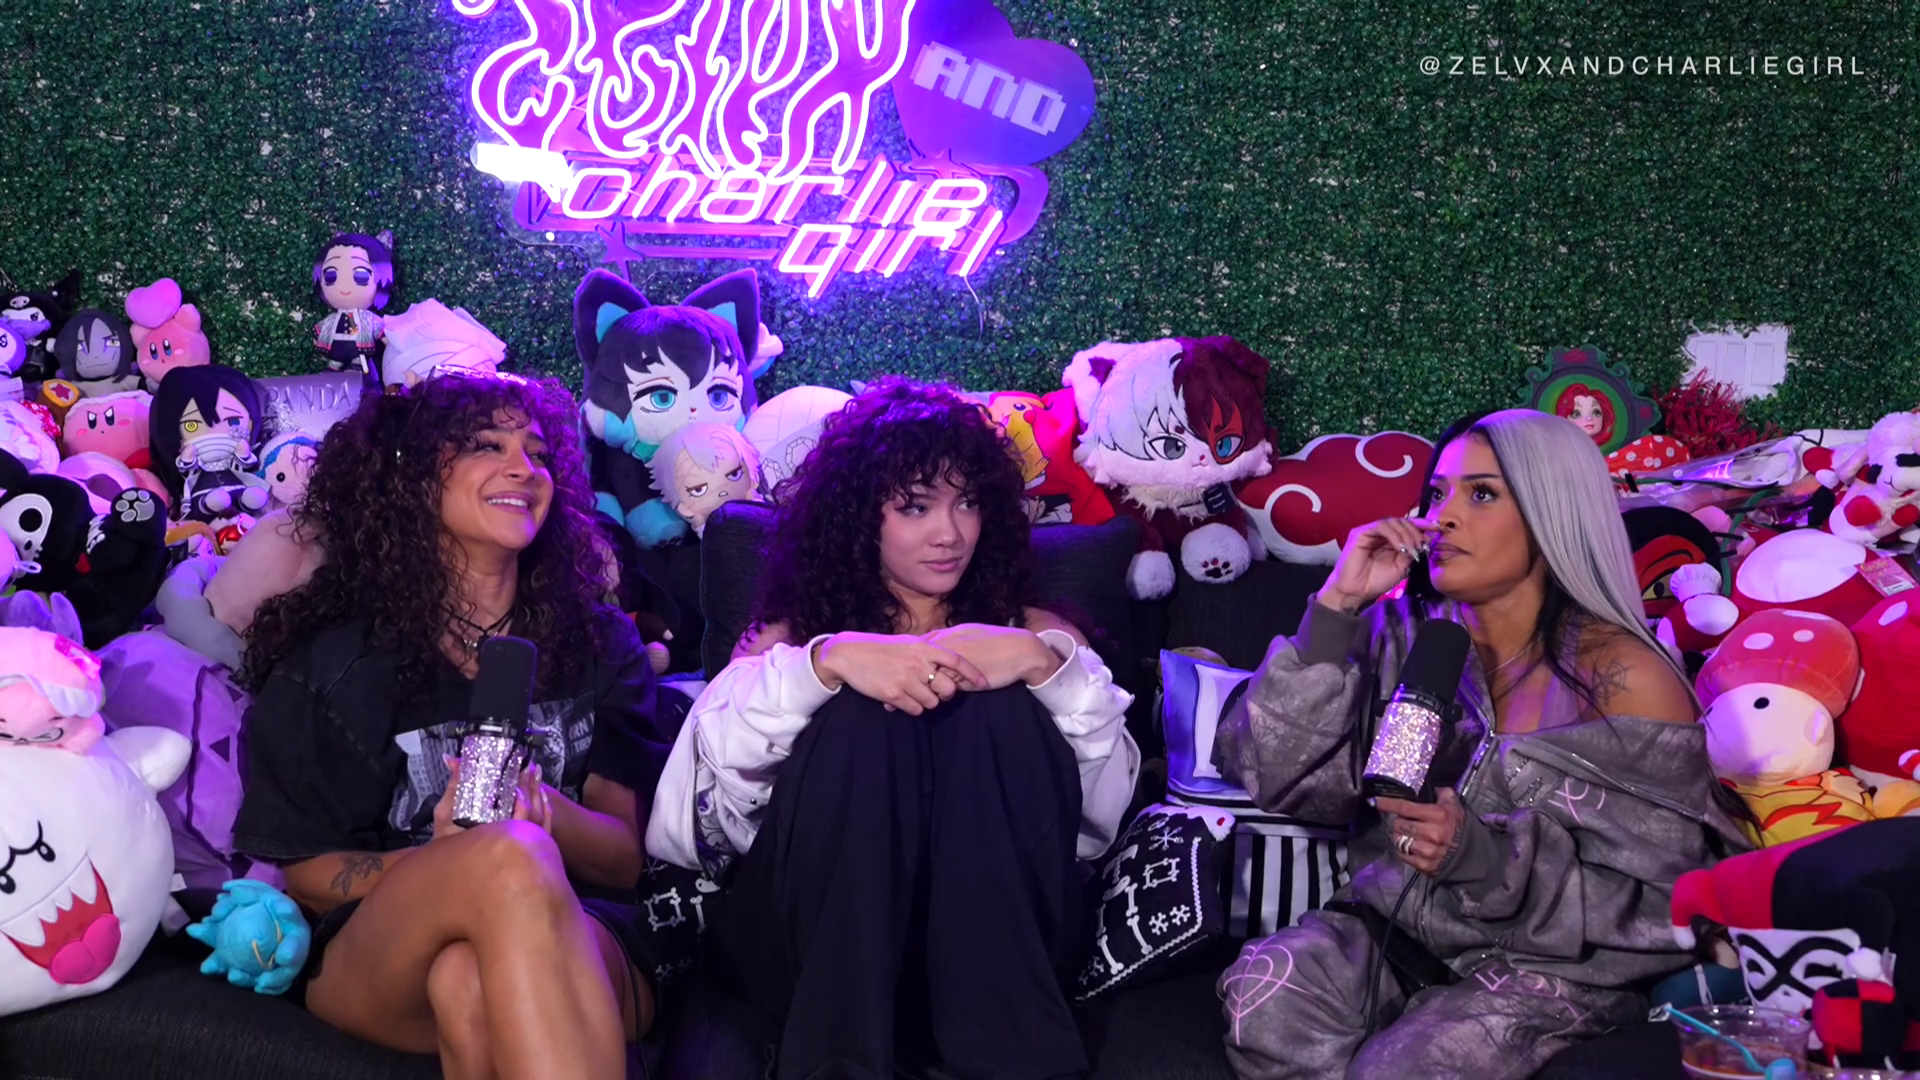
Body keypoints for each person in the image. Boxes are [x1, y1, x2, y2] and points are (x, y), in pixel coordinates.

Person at [1212, 409, 1749, 1080]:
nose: (1443, 518)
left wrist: (1484, 859)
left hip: (1551, 969)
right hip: (1393, 932)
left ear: (1554, 515)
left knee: (1409, 1067)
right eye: (1438, 493)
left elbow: (1662, 906)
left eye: (1483, 494)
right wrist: (1337, 605)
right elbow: (1277, 775)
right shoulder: (1397, 633)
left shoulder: (1624, 675)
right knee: (1263, 1000)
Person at [647, 377, 1140, 1080]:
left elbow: (1096, 824)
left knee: (997, 706)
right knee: (860, 719)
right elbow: (700, 825)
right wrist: (829, 664)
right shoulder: (791, 641)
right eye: (916, 506)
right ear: (860, 520)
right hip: (821, 956)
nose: (950, 533)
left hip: (1000, 956)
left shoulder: (1035, 635)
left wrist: (1042, 666)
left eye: (967, 502)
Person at [232, 372, 675, 1080]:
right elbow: (308, 873)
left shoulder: (601, 644)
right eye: (485, 446)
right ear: (410, 476)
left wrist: (539, 810)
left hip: (584, 931)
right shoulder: (335, 664)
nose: (522, 468)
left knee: (468, 982)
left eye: (537, 452)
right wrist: (455, 860)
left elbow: (622, 858)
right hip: (383, 950)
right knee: (506, 859)